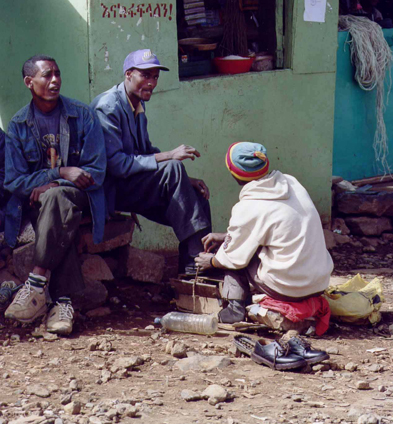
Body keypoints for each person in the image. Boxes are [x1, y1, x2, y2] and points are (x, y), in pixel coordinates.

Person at [4, 55, 106, 335]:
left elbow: (95, 171)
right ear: (29, 82)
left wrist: (58, 185)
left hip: (81, 196)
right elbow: (14, 180)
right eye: (47, 75)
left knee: (58, 199)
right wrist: (58, 174)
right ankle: (62, 302)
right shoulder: (18, 125)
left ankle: (36, 283)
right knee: (56, 211)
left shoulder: (82, 115)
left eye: (57, 74)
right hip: (37, 202)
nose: (55, 80)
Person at [91, 49, 211, 273]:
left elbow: (144, 151)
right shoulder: (107, 107)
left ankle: (193, 267)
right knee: (174, 166)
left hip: (133, 182)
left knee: (197, 194)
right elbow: (116, 165)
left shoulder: (136, 102)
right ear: (128, 74)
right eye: (145, 76)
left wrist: (185, 179)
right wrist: (170, 157)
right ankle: (199, 259)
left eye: (155, 77)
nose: (151, 83)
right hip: (112, 190)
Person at [195, 142, 333, 325]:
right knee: (238, 246)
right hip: (319, 282)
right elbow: (276, 227)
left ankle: (235, 310)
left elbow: (233, 256)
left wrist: (211, 261)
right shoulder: (291, 182)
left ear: (233, 172)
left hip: (291, 288)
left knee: (231, 255)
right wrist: (225, 236)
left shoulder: (248, 207)